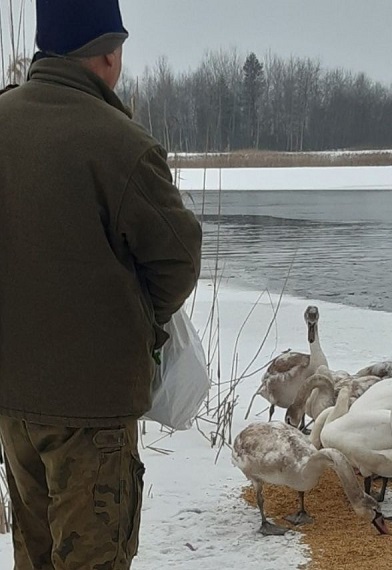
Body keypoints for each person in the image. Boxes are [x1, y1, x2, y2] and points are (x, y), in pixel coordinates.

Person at [0, 0, 203, 568]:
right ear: (109, 52)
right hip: (91, 415)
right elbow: (180, 259)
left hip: (13, 402)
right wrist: (143, 317)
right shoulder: (120, 142)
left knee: (34, 557)